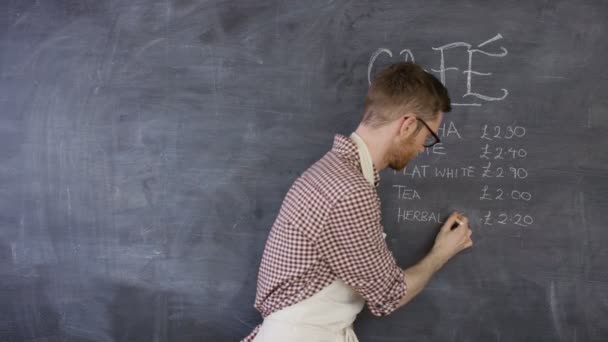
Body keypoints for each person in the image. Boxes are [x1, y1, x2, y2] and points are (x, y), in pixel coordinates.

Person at [242, 62, 473, 342]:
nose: (421, 151)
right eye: (427, 138)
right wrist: (441, 253)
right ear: (408, 125)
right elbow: (389, 295)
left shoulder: (329, 171)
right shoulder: (351, 191)